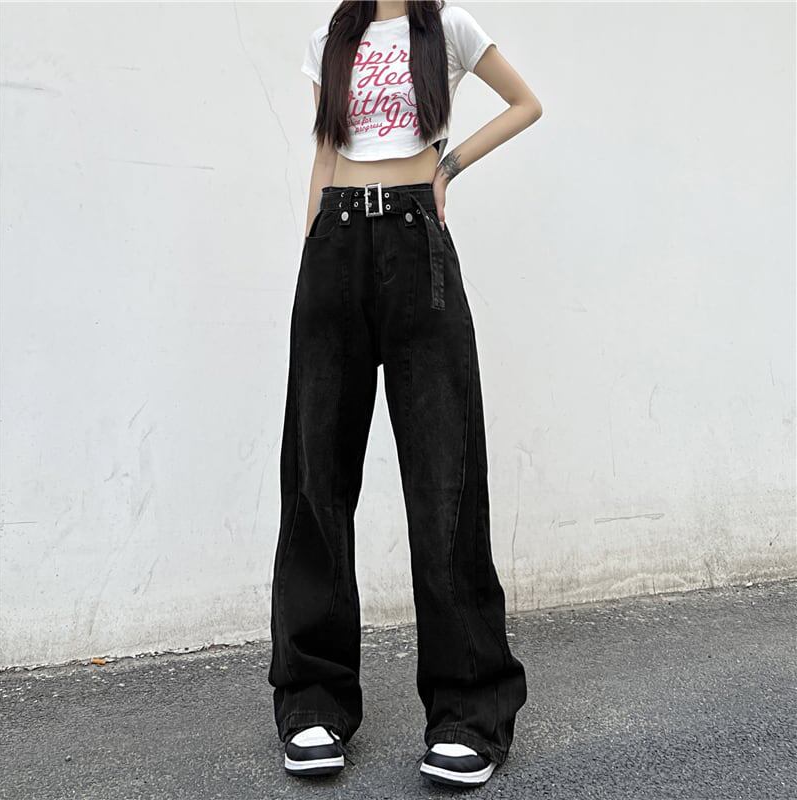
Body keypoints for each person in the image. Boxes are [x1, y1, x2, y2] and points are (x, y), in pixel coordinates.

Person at [267, 0, 543, 787]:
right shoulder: (330, 39)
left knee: (444, 478)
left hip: (418, 243)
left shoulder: (448, 29)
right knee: (317, 478)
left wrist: (447, 168)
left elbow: (525, 103)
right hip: (334, 244)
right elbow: (325, 155)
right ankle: (313, 701)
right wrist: (312, 255)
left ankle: (468, 710)